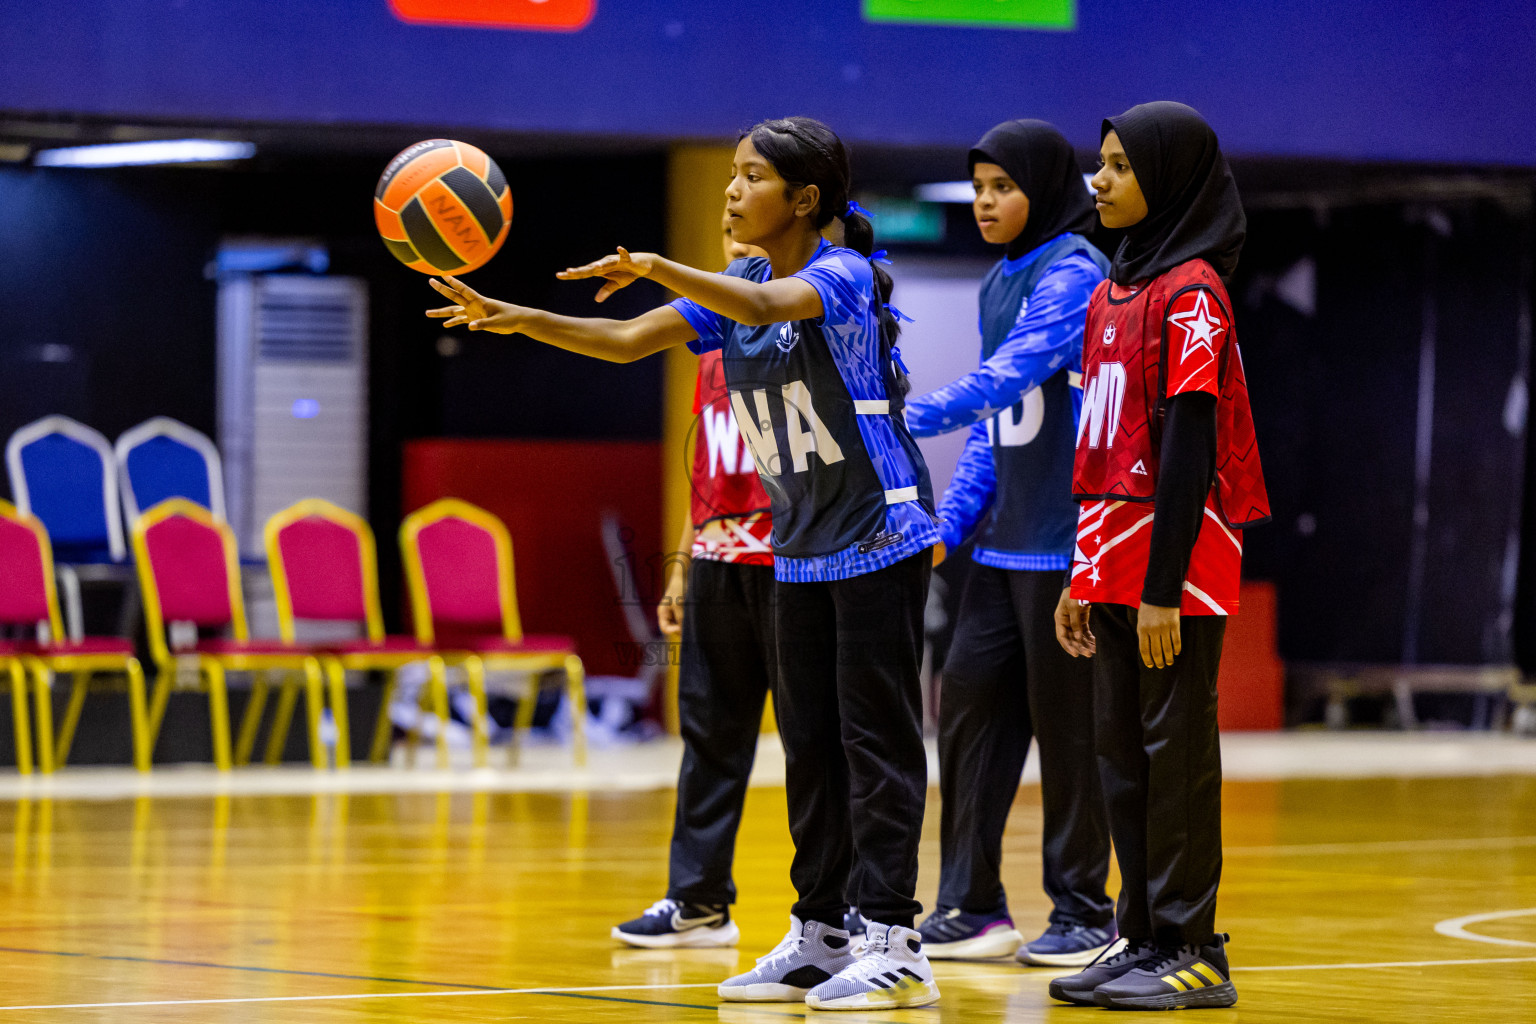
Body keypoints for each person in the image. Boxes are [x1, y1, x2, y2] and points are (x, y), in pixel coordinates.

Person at [426, 116, 942, 1012]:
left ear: (805, 199)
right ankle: (821, 932)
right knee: (812, 751)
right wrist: (519, 320)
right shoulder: (740, 278)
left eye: (751, 177)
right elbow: (628, 341)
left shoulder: (844, 276)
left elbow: (771, 309)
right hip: (804, 544)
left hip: (879, 535)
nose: (733, 191)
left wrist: (660, 264)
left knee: (876, 745)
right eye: (731, 174)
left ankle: (894, 939)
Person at [1049, 101, 1268, 1011]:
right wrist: (1081, 568)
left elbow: (1186, 450)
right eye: (1098, 165)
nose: (1098, 181)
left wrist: (1161, 588)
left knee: (1173, 757)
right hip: (1109, 557)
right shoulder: (1111, 292)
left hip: (1171, 568)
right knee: (1119, 760)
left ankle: (1194, 945)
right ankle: (1137, 932)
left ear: (1168, 179)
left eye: (1118, 167)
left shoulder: (1195, 295)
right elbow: (1103, 442)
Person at [903, 120, 1117, 966]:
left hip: (1072, 550)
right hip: (1001, 549)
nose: (986, 203)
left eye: (1003, 188)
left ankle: (1082, 911)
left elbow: (1015, 373)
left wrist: (896, 418)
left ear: (1043, 189)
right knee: (967, 720)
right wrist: (950, 525)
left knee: (1071, 740)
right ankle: (973, 904)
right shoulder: (999, 280)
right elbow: (1000, 424)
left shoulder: (1075, 274)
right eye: (979, 188)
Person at [610, 216, 776, 949]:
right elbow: (705, 473)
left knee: (816, 744)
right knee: (708, 736)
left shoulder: (804, 331)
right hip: (716, 559)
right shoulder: (707, 344)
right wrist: (680, 564)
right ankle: (700, 900)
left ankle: (838, 915)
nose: (737, 244)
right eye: (727, 232)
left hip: (793, 560)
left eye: (752, 233)